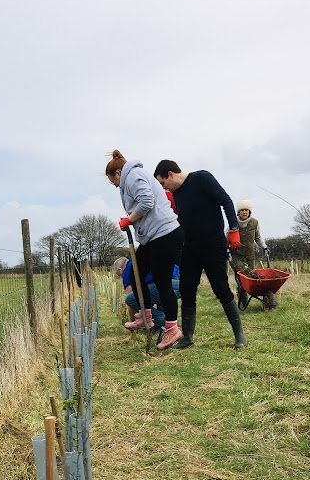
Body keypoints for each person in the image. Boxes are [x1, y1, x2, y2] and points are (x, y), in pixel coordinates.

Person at [153, 160, 248, 349]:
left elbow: (226, 200)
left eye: (163, 183)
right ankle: (187, 337)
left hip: (213, 244)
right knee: (187, 290)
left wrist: (234, 229)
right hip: (189, 247)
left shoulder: (201, 178)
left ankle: (239, 335)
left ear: (170, 174)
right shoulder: (176, 194)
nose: (164, 188)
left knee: (221, 288)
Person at [105, 150, 183, 350]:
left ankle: (172, 328)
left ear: (118, 173)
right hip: (151, 237)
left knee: (161, 280)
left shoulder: (133, 176)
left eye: (112, 180)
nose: (113, 185)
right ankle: (146, 316)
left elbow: (147, 200)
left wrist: (129, 219)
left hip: (164, 233)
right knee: (136, 272)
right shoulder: (130, 178)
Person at [112, 256, 180, 330]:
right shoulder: (138, 259)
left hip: (166, 285)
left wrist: (133, 323)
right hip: (180, 284)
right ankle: (165, 324)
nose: (121, 277)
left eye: (119, 275)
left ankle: (159, 317)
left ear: (120, 269)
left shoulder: (128, 270)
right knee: (156, 296)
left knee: (130, 299)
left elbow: (133, 298)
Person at [231, 199, 276, 309]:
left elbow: (258, 237)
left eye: (246, 210)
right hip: (237, 255)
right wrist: (226, 249)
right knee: (242, 278)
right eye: (242, 210)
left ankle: (262, 298)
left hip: (250, 255)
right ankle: (242, 298)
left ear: (249, 211)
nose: (244, 212)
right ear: (238, 212)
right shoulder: (233, 222)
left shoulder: (255, 223)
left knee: (252, 278)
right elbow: (227, 237)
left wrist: (264, 247)